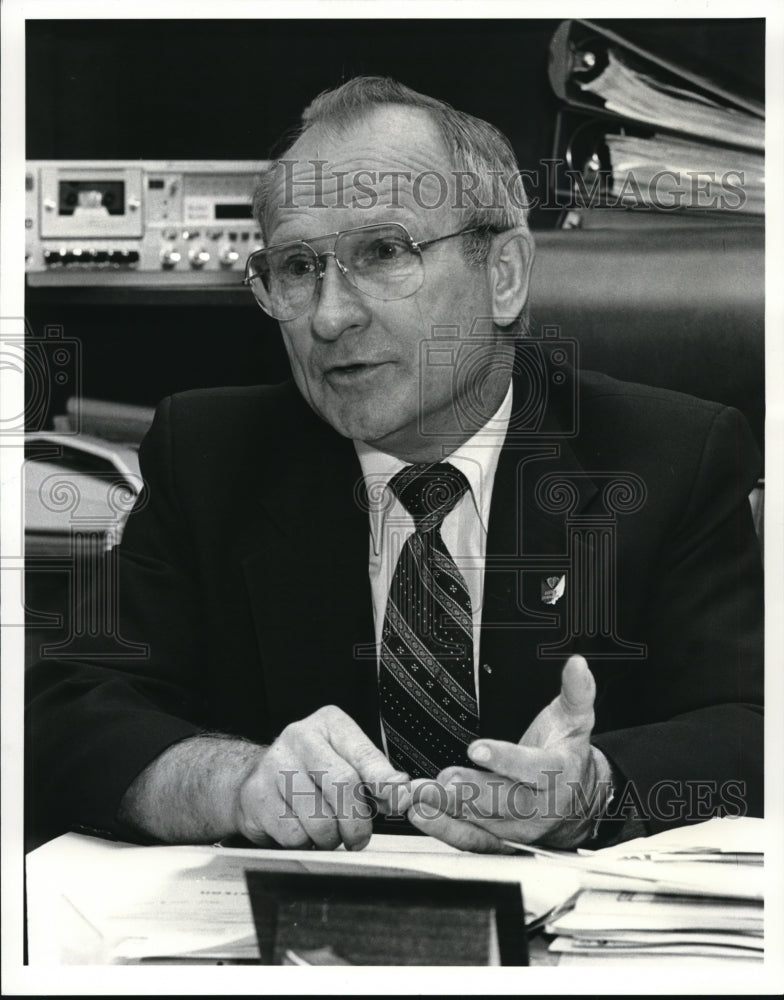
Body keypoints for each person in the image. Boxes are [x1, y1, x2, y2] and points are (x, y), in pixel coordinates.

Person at [25, 77, 763, 855]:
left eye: (383, 252)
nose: (330, 316)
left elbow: (751, 732)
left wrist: (594, 789)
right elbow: (66, 711)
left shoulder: (670, 456)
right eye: (298, 267)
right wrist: (235, 782)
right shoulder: (211, 452)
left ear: (503, 274)